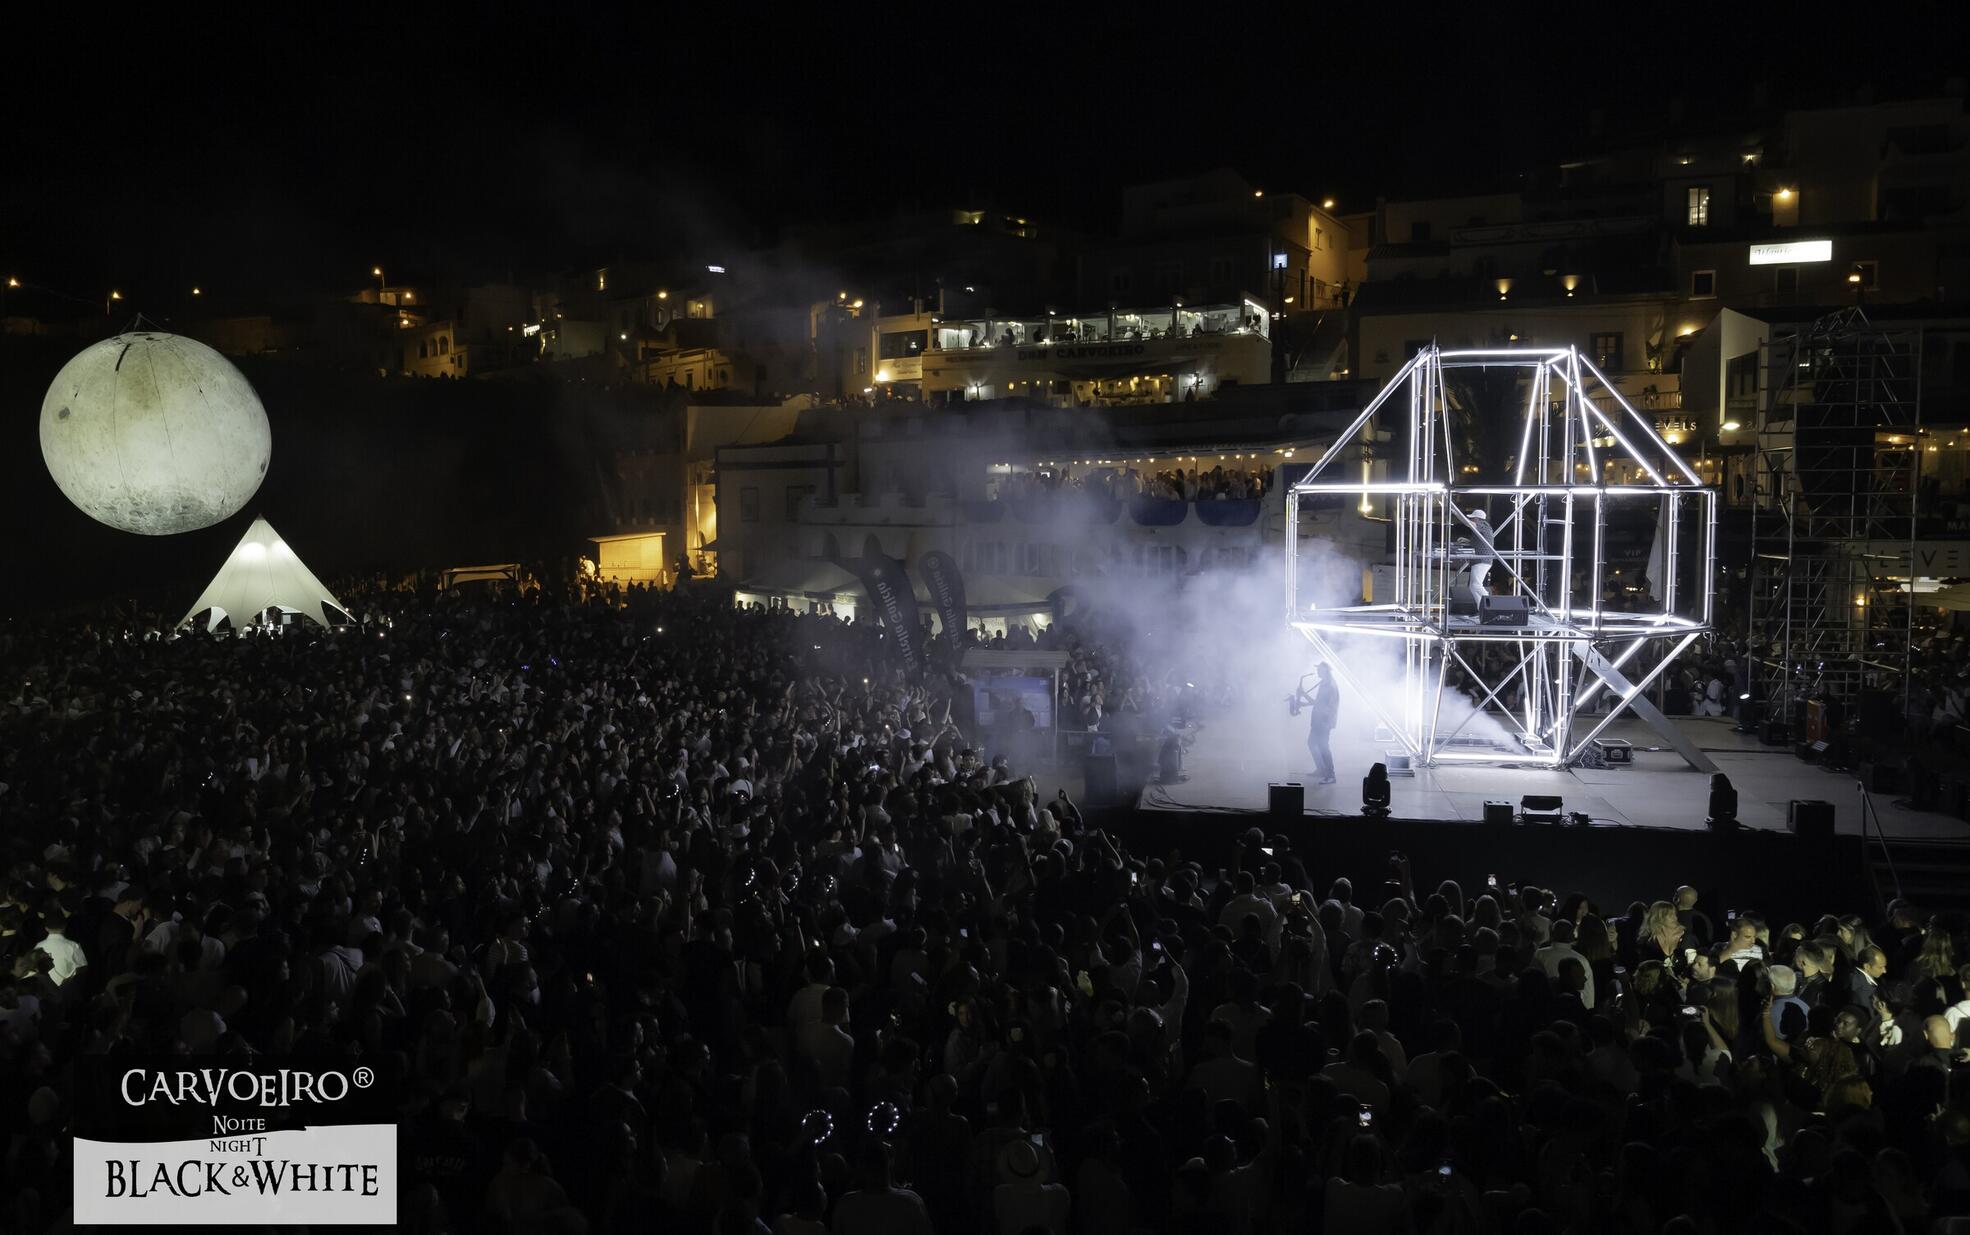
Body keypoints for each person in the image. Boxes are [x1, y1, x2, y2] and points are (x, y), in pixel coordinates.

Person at [1305, 663, 1339, 785]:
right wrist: (1304, 699)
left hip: (1324, 721)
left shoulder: (1330, 685)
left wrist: (1326, 721)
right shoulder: (1324, 683)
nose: (1318, 671)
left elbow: (1330, 706)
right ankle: (1321, 769)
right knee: (1312, 743)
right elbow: (1318, 703)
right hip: (1319, 720)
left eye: (1319, 669)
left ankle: (1330, 775)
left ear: (1325, 670)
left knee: (1323, 746)